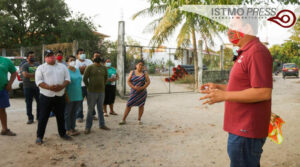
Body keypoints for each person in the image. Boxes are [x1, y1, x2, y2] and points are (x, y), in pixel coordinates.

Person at [200, 15, 273, 167]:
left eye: (233, 25)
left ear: (247, 28)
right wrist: (219, 88)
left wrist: (225, 95)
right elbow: (245, 88)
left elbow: (263, 92)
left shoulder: (256, 52)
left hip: (246, 130)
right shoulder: (245, 52)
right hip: (240, 130)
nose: (229, 30)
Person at [35, 50, 72, 144]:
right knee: (43, 117)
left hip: (60, 95)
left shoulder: (62, 67)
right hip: (46, 96)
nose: (51, 57)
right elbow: (38, 82)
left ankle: (63, 134)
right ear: (45, 58)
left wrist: (61, 86)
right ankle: (39, 136)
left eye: (52, 55)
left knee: (60, 116)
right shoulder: (41, 68)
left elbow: (67, 79)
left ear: (54, 56)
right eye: (48, 56)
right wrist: (49, 87)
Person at [83, 52, 110, 134]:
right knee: (90, 110)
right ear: (93, 58)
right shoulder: (89, 67)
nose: (97, 58)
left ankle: (102, 124)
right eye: (96, 56)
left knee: (100, 109)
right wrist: (89, 87)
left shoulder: (104, 68)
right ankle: (88, 127)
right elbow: (84, 78)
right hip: (91, 92)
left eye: (99, 56)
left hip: (101, 92)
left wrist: (102, 85)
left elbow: (106, 78)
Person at [119, 60, 150, 125]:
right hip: (134, 92)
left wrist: (142, 87)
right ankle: (123, 119)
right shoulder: (132, 72)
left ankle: (139, 120)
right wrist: (133, 87)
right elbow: (128, 81)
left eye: (142, 65)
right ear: (136, 65)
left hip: (142, 92)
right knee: (129, 105)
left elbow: (148, 82)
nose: (140, 66)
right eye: (139, 64)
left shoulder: (145, 73)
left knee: (141, 105)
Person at [75, 48, 96, 122]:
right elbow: (77, 72)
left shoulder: (89, 61)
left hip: (89, 84)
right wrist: (85, 70)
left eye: (83, 53)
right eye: (80, 53)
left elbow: (92, 71)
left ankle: (92, 114)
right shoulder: (75, 62)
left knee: (91, 101)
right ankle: (79, 116)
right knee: (79, 101)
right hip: (79, 85)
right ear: (77, 55)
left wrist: (83, 70)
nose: (82, 54)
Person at [64, 55, 82, 136]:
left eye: (74, 60)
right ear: (67, 62)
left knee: (74, 112)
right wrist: (66, 96)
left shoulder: (78, 70)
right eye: (71, 60)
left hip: (78, 94)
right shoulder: (65, 71)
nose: (73, 61)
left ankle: (73, 127)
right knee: (68, 112)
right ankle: (68, 129)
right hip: (69, 94)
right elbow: (64, 85)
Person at [0, 56, 17, 136]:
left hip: (2, 89)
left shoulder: (5, 60)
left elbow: (14, 72)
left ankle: (4, 129)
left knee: (2, 110)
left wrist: (10, 84)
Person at [22, 51, 40, 124]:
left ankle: (39, 117)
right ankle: (30, 118)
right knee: (29, 103)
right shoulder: (25, 65)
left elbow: (42, 74)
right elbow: (26, 75)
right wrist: (36, 74)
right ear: (27, 57)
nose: (32, 57)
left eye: (33, 56)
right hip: (27, 87)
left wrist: (32, 74)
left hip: (37, 87)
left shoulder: (37, 64)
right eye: (30, 56)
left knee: (40, 103)